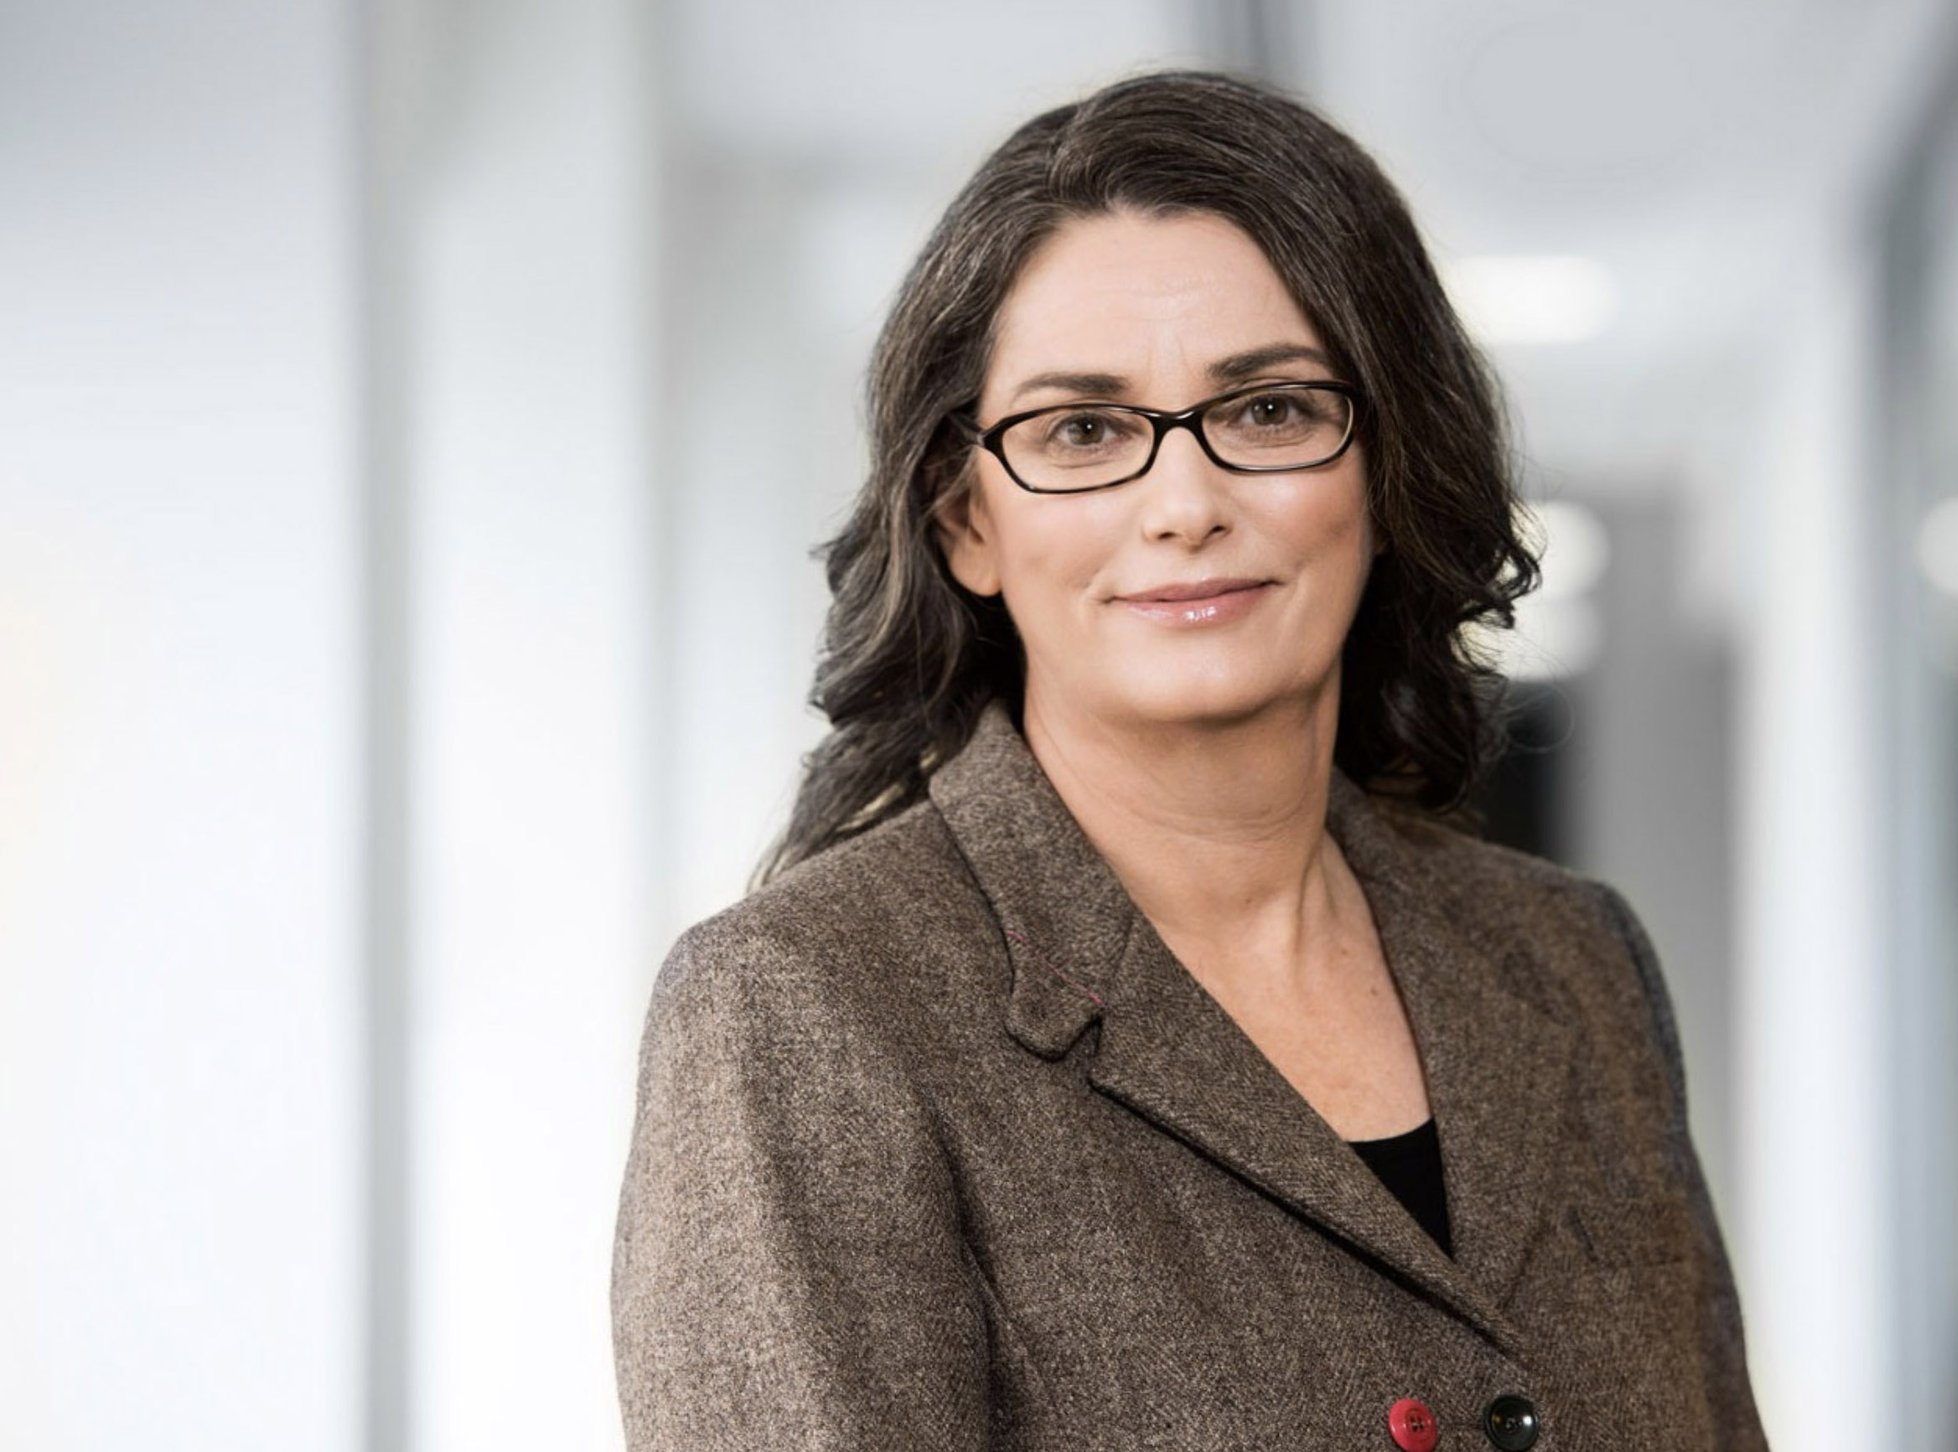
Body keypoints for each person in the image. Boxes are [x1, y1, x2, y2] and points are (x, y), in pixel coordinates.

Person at [609, 68, 1765, 1452]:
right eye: (1083, 431)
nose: (1185, 504)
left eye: (1270, 410)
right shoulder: (803, 1012)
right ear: (967, 521)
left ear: (1387, 471)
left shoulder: (1575, 964)